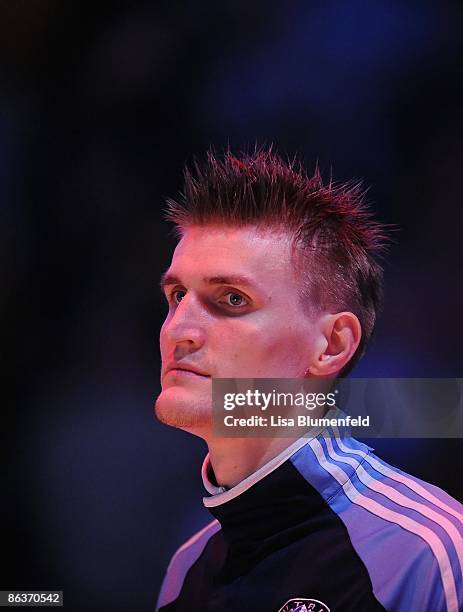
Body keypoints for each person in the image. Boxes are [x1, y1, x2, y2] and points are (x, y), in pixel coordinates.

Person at [154, 148, 463, 612]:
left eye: (232, 299)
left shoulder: (429, 553)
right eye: (177, 295)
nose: (178, 329)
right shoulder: (184, 567)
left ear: (332, 346)